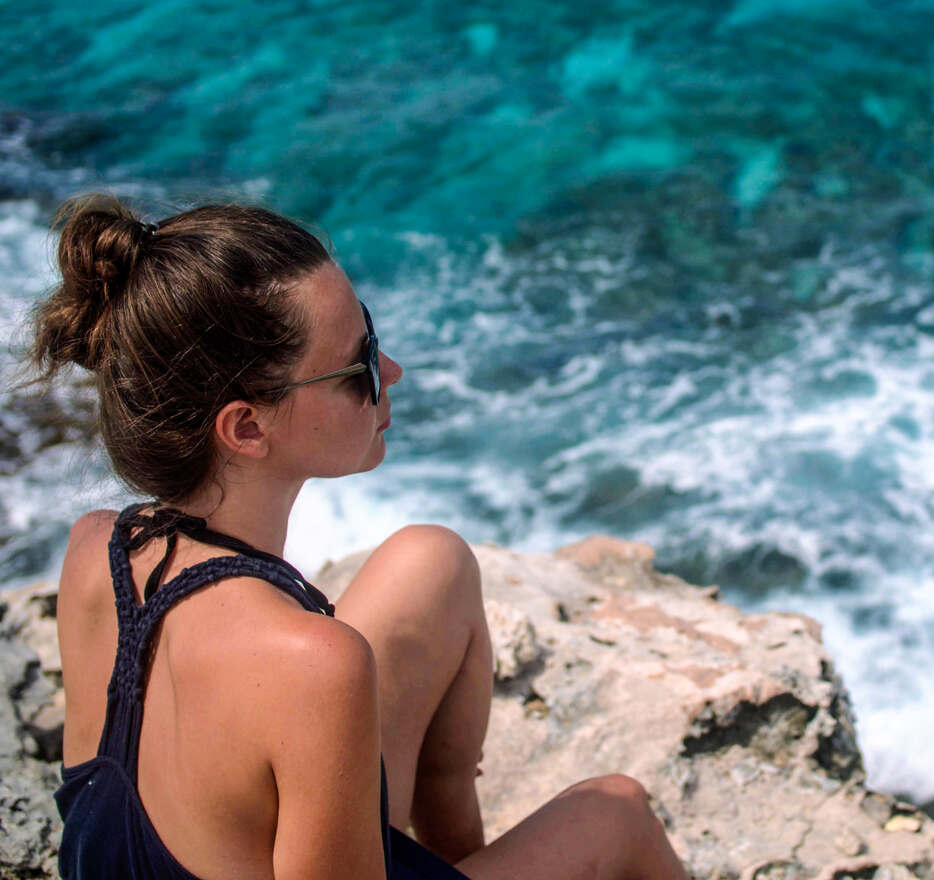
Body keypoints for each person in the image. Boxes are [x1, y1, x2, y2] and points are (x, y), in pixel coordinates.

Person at [27, 194, 691, 880]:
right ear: (247, 428)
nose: (392, 372)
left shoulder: (95, 551)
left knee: (431, 562)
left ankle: (459, 858)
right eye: (360, 362)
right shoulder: (313, 664)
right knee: (618, 812)